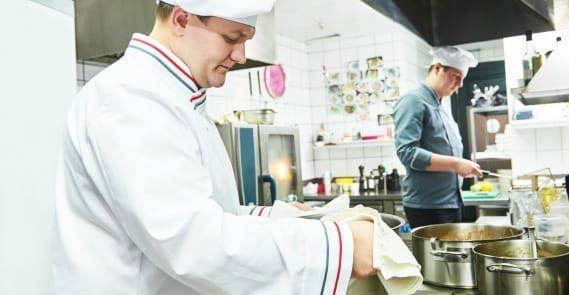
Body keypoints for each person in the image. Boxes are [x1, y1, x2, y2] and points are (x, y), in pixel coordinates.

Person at [52, 1, 375, 294]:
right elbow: (191, 240)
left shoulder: (176, 96)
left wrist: (274, 216)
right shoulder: (130, 96)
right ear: (181, 19)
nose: (241, 55)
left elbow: (206, 211)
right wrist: (338, 247)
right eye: (232, 38)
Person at [393, 46, 483, 229]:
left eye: (462, 79)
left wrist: (460, 165)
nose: (460, 85)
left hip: (450, 202)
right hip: (428, 207)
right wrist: (456, 164)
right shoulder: (413, 101)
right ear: (437, 68)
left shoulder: (441, 106)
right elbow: (407, 153)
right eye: (456, 77)